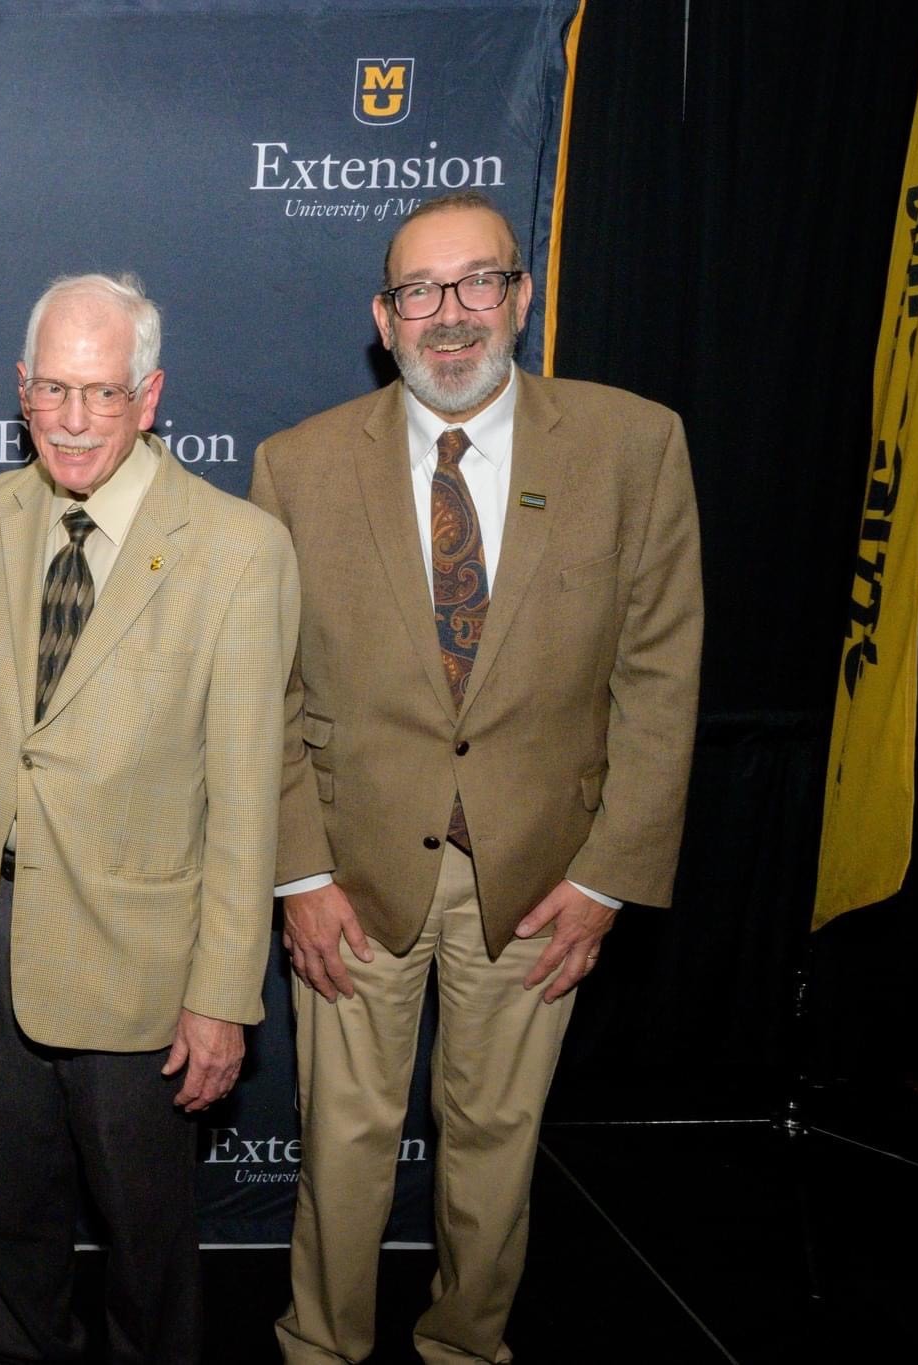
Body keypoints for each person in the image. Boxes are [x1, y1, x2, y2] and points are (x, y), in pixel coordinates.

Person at [251, 191, 703, 1364]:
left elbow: (657, 675)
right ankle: (321, 1349)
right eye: (417, 291)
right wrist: (296, 871)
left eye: (474, 283)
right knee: (339, 1140)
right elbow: (266, 696)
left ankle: (464, 1349)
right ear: (380, 315)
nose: (447, 316)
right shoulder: (295, 468)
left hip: (541, 875)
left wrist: (607, 879)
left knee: (496, 1137)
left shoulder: (632, 443)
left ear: (519, 292)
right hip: (350, 874)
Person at [0, 272, 300, 1363]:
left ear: (150, 395)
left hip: (142, 967)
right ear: (19, 392)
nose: (73, 420)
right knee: (8, 1226)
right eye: (50, 391)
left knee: (146, 1246)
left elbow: (243, 797)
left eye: (101, 392)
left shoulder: (235, 549)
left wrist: (221, 998)